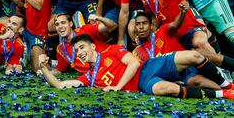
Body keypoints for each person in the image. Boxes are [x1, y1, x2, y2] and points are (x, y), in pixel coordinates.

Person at [38, 34, 234, 100]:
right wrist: (45, 69)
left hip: (147, 68)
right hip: (144, 84)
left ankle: (226, 85)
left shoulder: (112, 50)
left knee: (195, 55)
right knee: (167, 89)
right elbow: (61, 85)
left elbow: (133, 63)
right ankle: (224, 94)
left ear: (92, 46)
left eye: (82, 47)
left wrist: (118, 86)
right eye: (77, 50)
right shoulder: (89, 77)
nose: (80, 52)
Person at [50, 13, 115, 74]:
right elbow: (59, 70)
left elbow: (111, 26)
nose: (60, 26)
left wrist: (98, 18)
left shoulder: (85, 30)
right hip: (95, 76)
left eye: (63, 23)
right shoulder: (61, 49)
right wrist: (44, 68)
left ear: (70, 24)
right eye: (57, 24)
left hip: (111, 64)